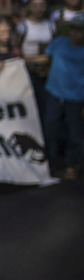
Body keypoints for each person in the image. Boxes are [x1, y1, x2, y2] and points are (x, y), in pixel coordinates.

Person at [41, 15, 84, 180]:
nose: (75, 33)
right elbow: (46, 58)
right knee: (50, 129)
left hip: (77, 98)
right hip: (54, 93)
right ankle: (50, 163)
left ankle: (72, 165)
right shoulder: (59, 43)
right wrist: (22, 60)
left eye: (79, 30)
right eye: (73, 28)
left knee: (75, 134)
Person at [17, 0, 55, 119]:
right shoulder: (23, 26)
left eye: (42, 5)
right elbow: (16, 48)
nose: (38, 9)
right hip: (28, 71)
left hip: (47, 72)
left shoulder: (50, 25)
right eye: (34, 6)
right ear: (29, 7)